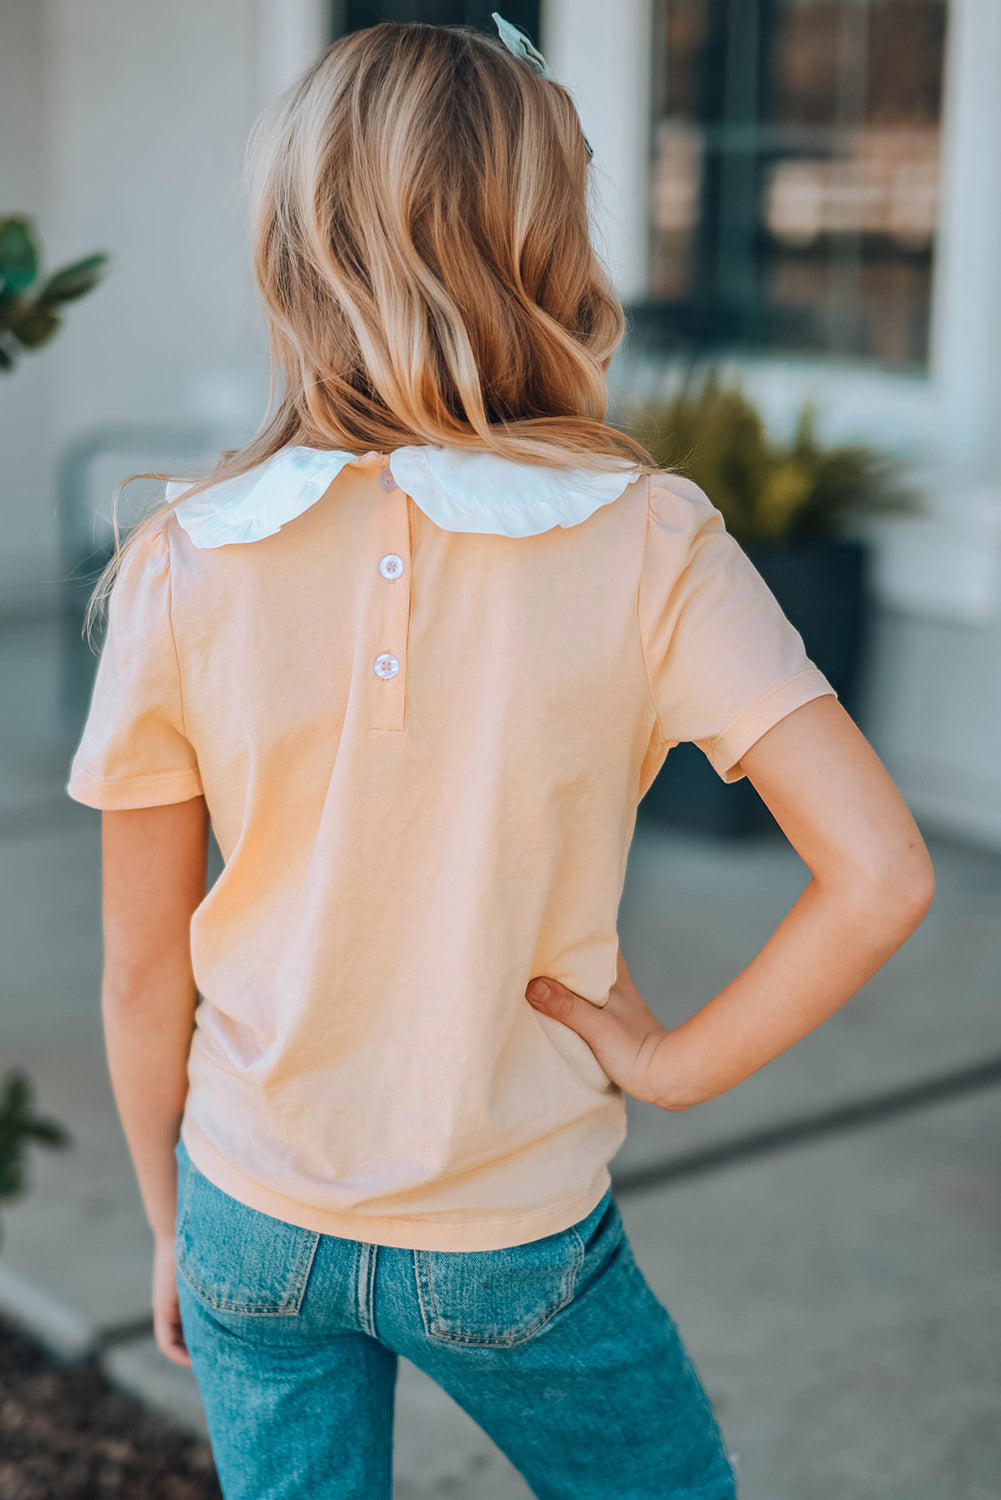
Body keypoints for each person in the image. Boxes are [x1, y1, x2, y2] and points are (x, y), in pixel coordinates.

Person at [65, 17, 934, 1500]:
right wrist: (668, 1065)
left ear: (293, 245)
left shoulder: (177, 562)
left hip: (247, 1216)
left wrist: (168, 1221)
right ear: (549, 240)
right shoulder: (652, 541)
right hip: (507, 1235)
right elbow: (879, 874)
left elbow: (145, 973)